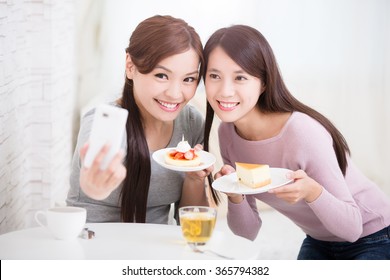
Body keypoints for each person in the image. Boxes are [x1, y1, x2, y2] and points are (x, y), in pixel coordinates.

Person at [202, 24, 390, 259]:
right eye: (214, 76)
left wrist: (312, 191)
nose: (225, 91)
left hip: (375, 235)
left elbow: (352, 228)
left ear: (263, 83)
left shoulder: (301, 132)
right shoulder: (228, 134)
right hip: (319, 241)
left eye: (240, 77)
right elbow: (246, 234)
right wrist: (235, 195)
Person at [67, 15, 216, 224]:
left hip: (155, 250)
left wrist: (193, 179)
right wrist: (96, 183)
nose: (175, 94)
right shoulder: (105, 122)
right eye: (162, 75)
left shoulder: (191, 123)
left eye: (188, 79)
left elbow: (192, 223)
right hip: (94, 245)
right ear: (130, 66)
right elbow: (92, 185)